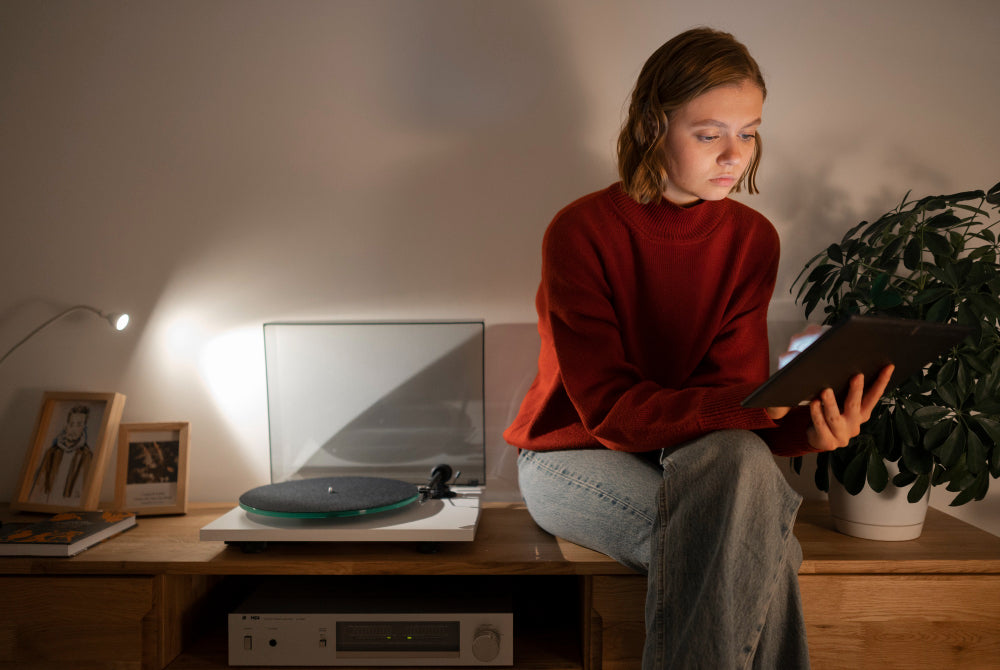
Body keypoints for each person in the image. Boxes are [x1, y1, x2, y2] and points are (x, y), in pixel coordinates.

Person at [504, 27, 893, 669]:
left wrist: (806, 430)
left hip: (700, 459)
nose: (733, 155)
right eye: (709, 133)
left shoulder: (751, 239)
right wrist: (754, 414)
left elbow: (732, 403)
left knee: (737, 493)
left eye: (750, 132)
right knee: (759, 545)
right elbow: (608, 410)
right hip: (571, 452)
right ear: (653, 126)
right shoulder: (581, 231)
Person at [29, 404, 93, 505]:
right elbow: (39, 485)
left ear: (84, 427)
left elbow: (83, 490)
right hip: (47, 504)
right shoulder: (52, 452)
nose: (74, 429)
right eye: (71, 424)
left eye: (79, 425)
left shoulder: (86, 455)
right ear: (66, 426)